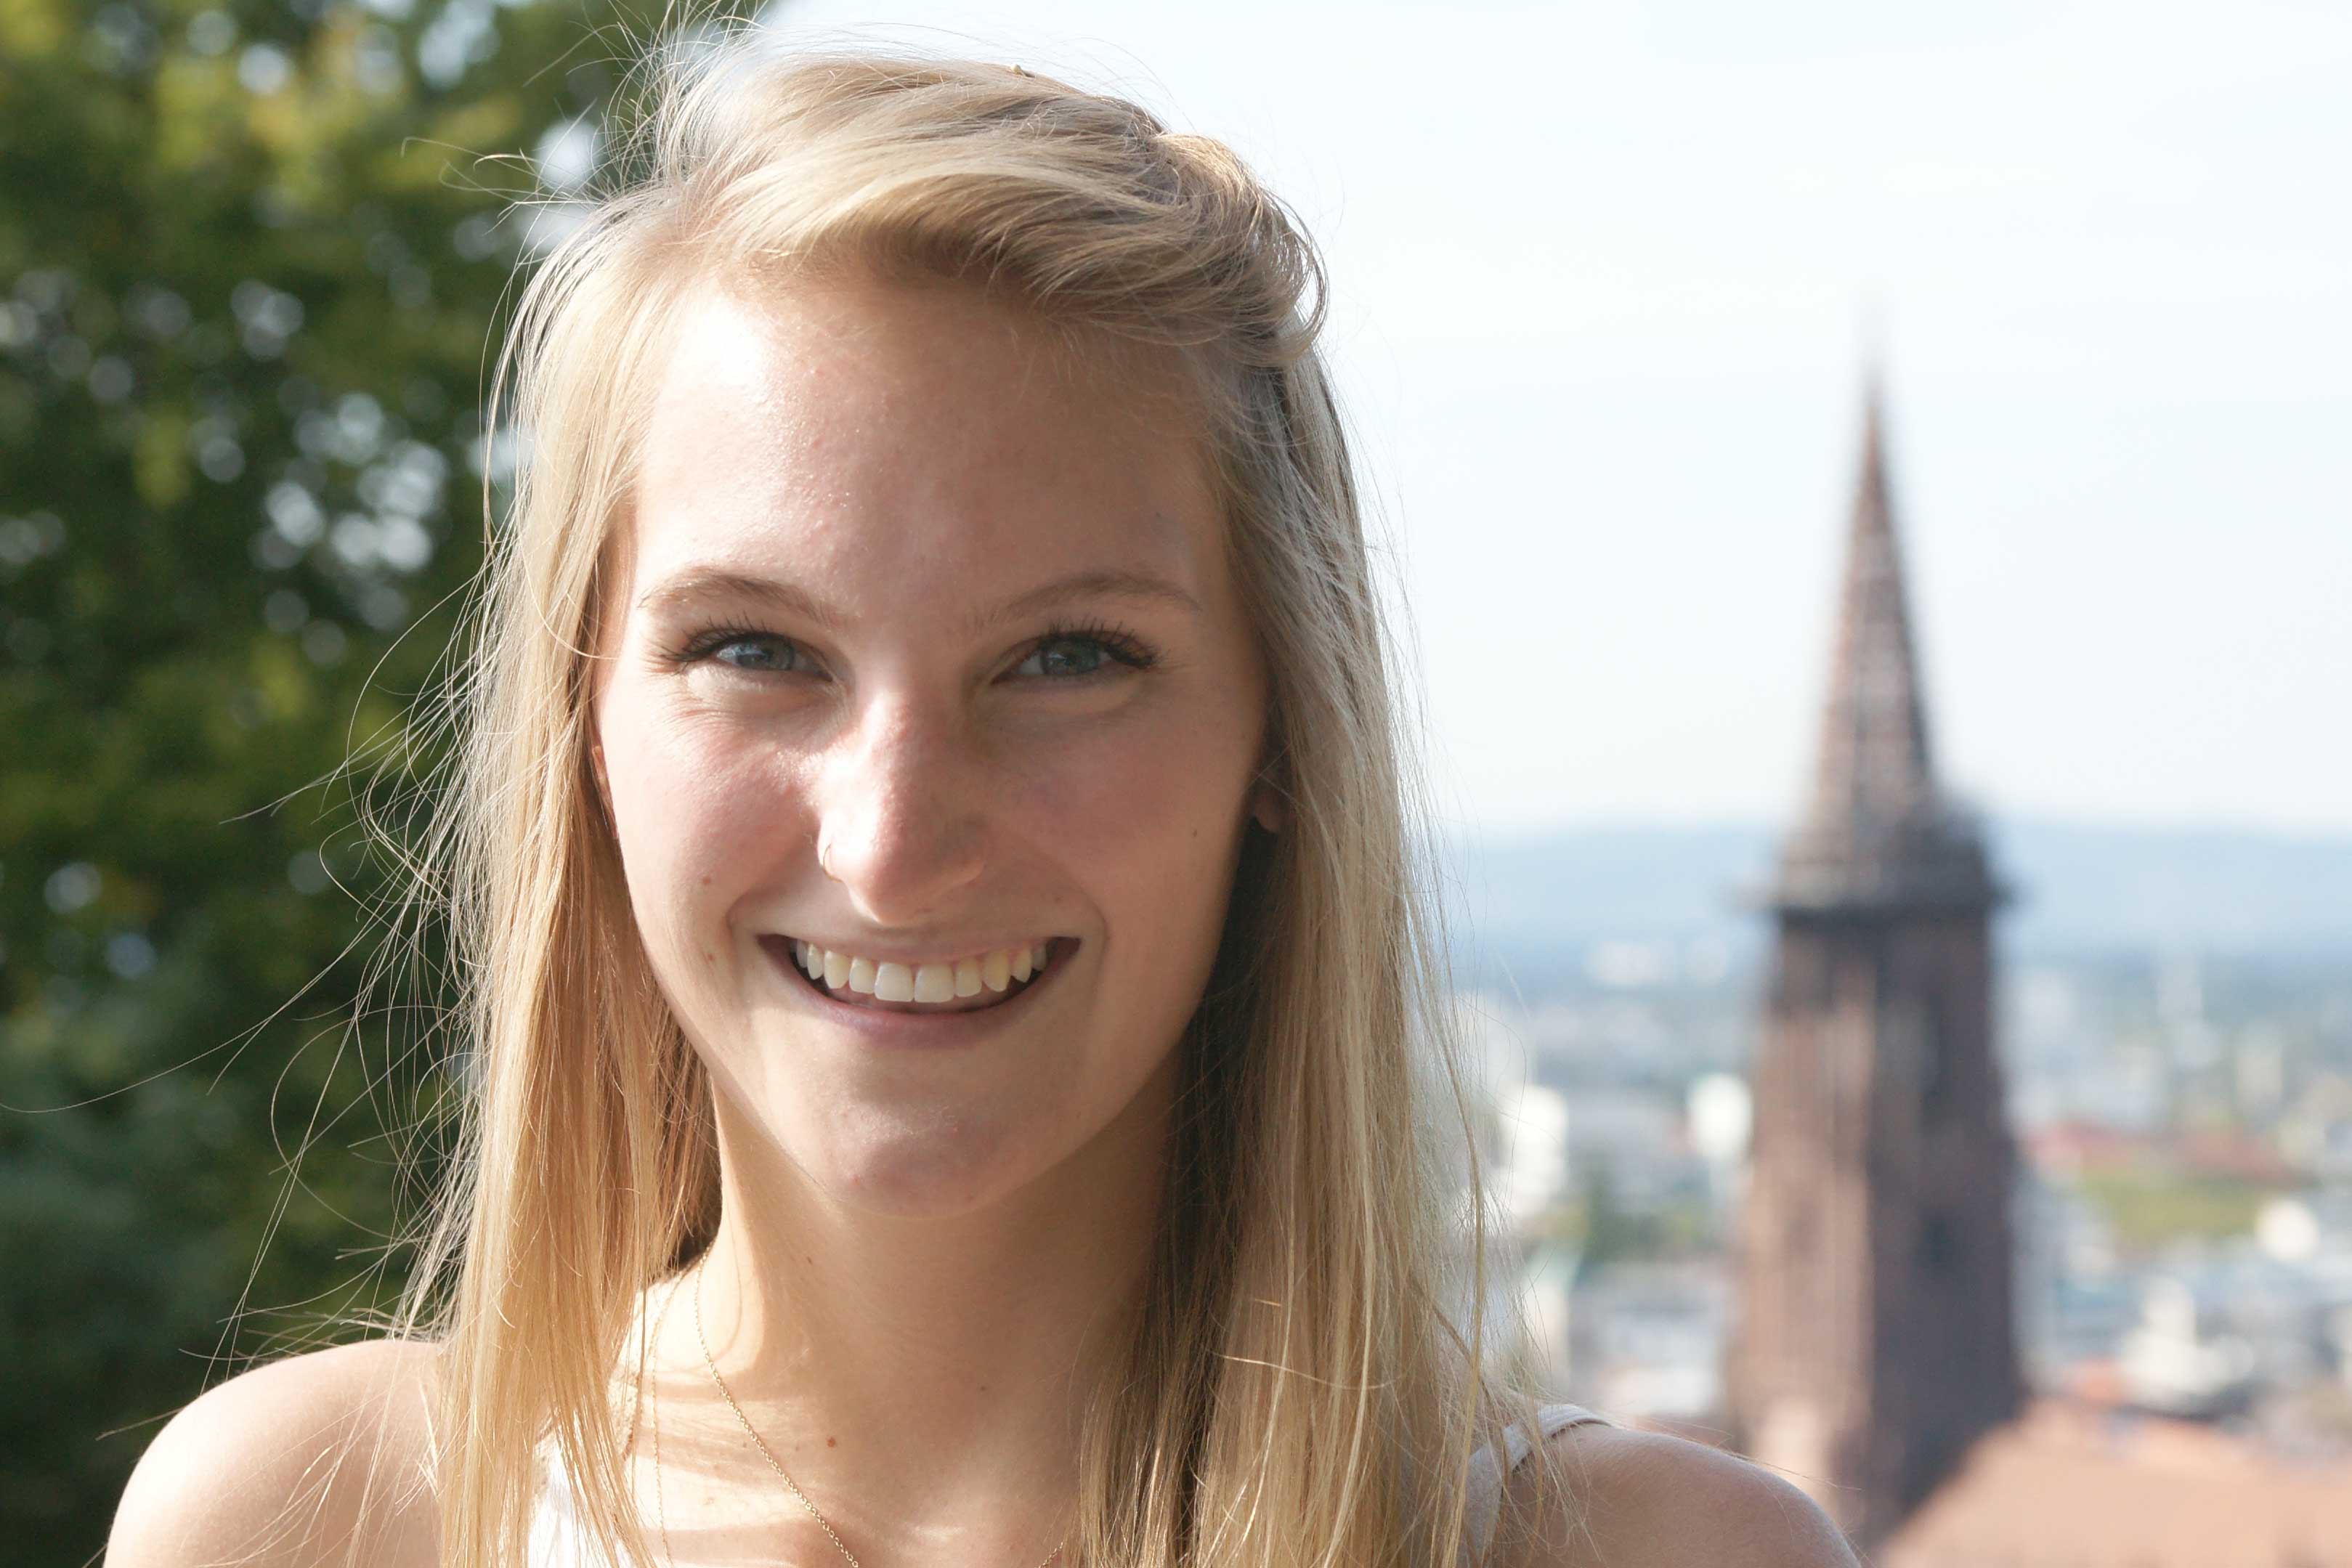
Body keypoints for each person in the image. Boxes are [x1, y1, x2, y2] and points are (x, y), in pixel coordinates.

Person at [108, 29, 1857, 1568]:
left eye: (1065, 659)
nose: (888, 843)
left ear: (1281, 736)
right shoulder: (314, 1527)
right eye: (754, 649)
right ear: (584, 719)